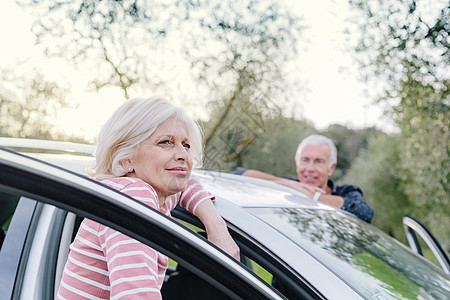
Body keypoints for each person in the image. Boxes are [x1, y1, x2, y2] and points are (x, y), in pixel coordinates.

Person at [57, 97, 239, 299]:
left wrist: (216, 225)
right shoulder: (133, 197)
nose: (183, 155)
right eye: (166, 142)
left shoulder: (150, 194)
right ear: (126, 156)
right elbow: (136, 296)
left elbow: (186, 186)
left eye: (186, 145)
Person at [234, 134, 373, 223]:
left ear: (331, 168)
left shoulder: (346, 192)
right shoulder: (289, 185)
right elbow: (238, 175)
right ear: (297, 163)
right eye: (305, 160)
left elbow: (364, 213)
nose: (310, 168)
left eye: (318, 161)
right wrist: (286, 184)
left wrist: (313, 196)